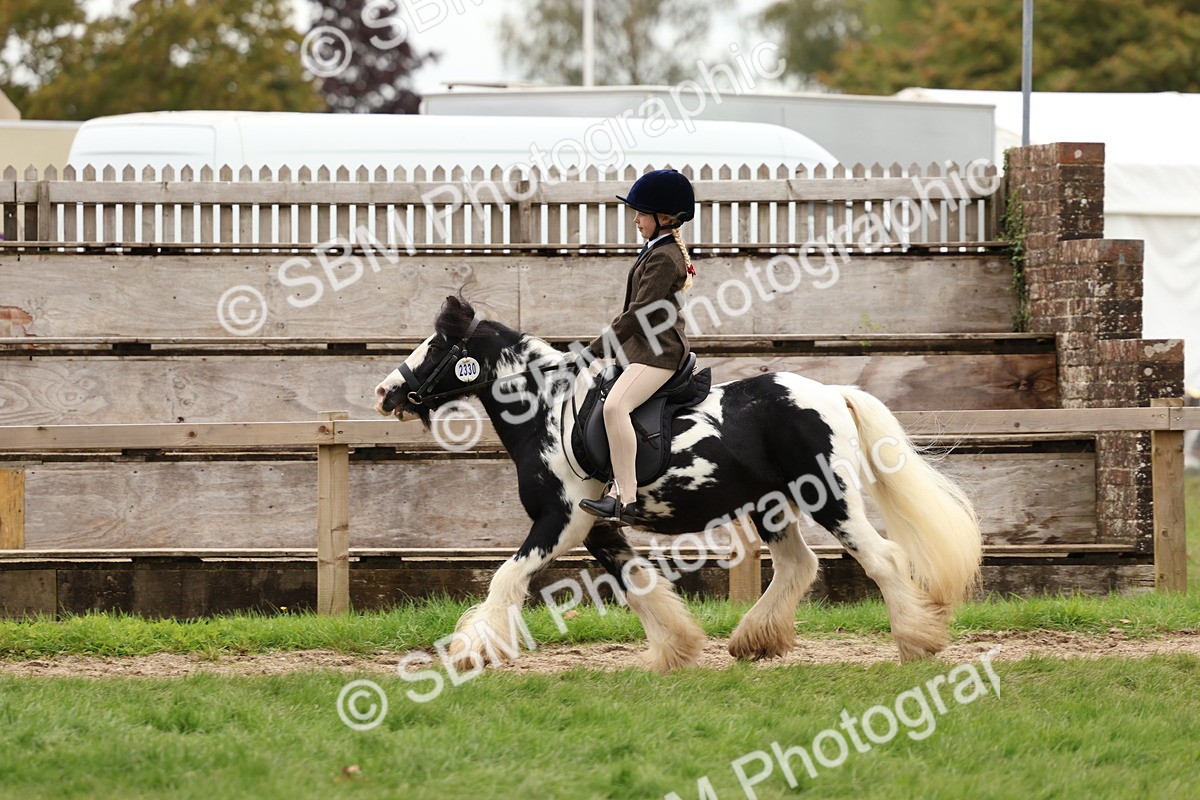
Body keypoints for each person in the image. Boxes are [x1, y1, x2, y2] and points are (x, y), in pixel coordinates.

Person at [577, 168, 697, 523]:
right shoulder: (657, 249)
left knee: (615, 407)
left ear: (664, 218)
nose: (635, 219)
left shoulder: (663, 257)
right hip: (643, 350)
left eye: (641, 213)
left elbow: (637, 313)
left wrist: (594, 349)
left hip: (659, 353)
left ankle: (625, 499)